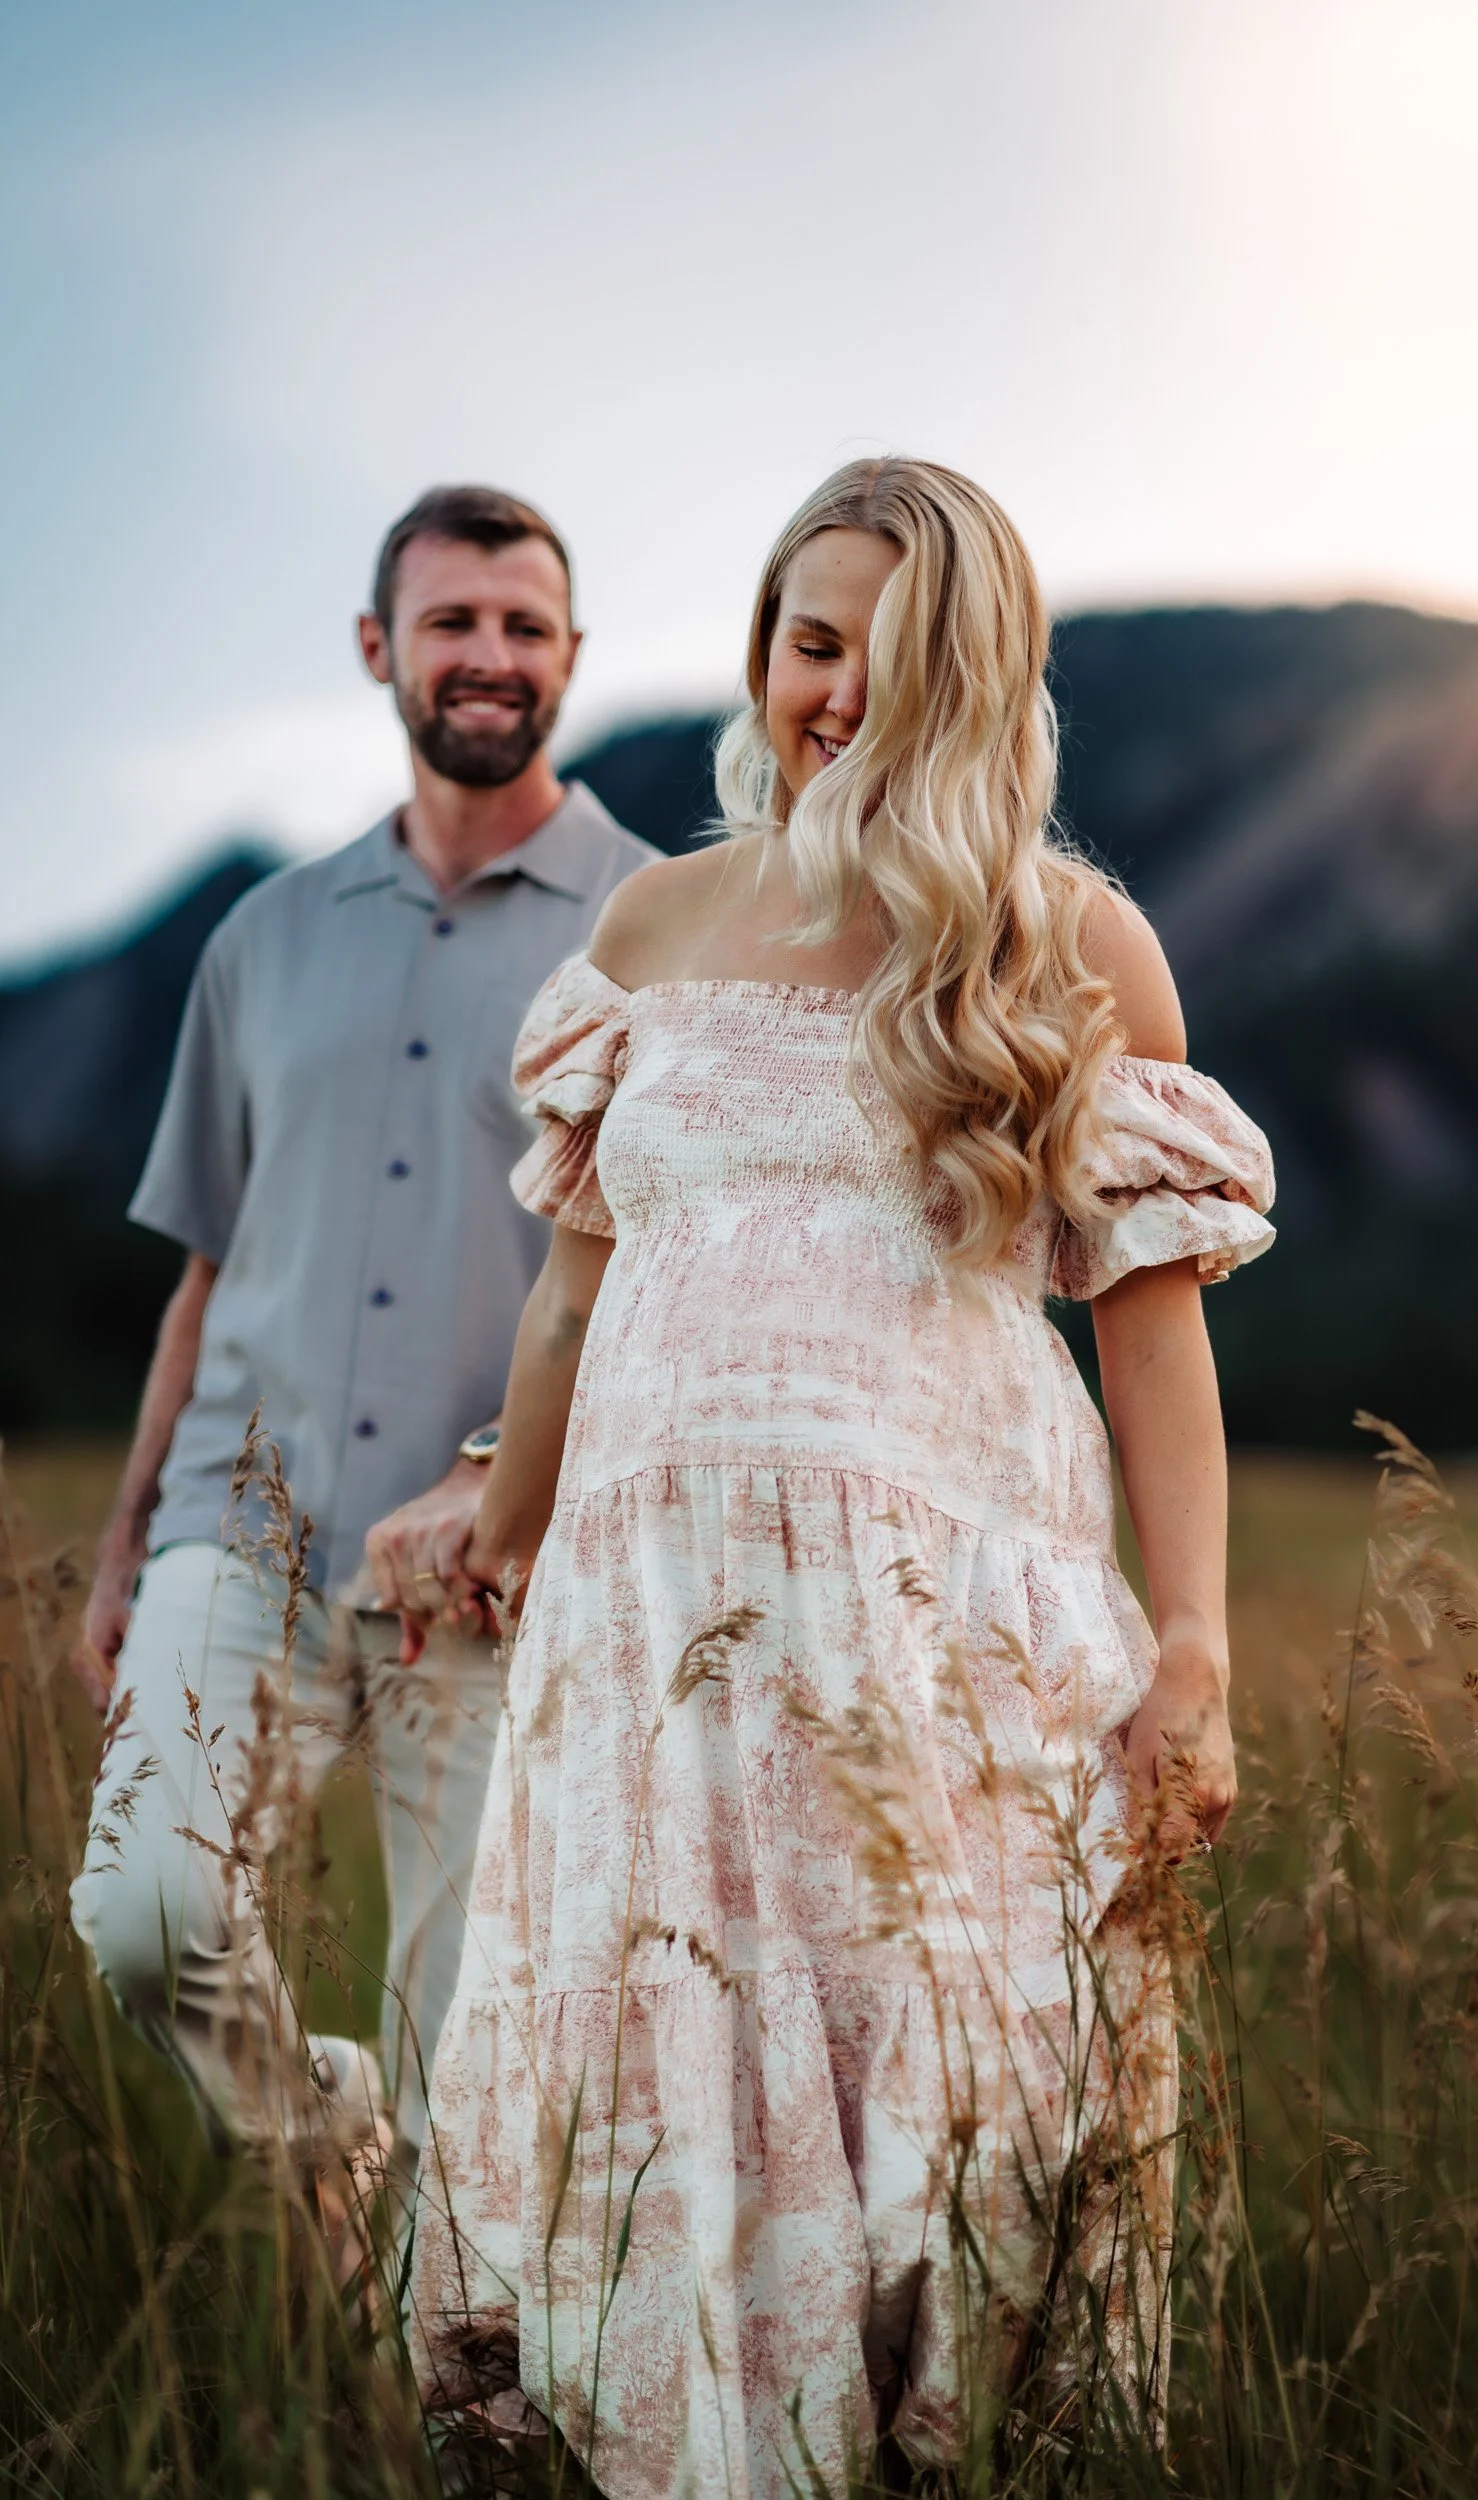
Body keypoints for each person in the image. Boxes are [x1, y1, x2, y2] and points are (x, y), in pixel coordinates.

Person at [406, 457, 1275, 2493]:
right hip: (653, 1641)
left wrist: (1195, 1646)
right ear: (761, 650)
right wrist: (503, 1512)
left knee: (942, 2118)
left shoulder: (1071, 944)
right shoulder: (651, 925)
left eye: (896, 660)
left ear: (978, 681)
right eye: (811, 646)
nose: (840, 698)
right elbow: (568, 1297)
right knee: (661, 2086)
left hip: (934, 1641)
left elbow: (1153, 1336)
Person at [70, 485, 658, 2195]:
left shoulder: (654, 925)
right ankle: (322, 2137)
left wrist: (499, 1484)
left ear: (570, 658)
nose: (489, 658)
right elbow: (204, 1272)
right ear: (377, 647)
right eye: (454, 622)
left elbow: (662, 1273)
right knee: (141, 1914)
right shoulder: (259, 939)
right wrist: (125, 1547)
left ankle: (425, 2397)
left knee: (463, 2023)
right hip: (235, 1530)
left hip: (493, 1571)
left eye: (524, 627)